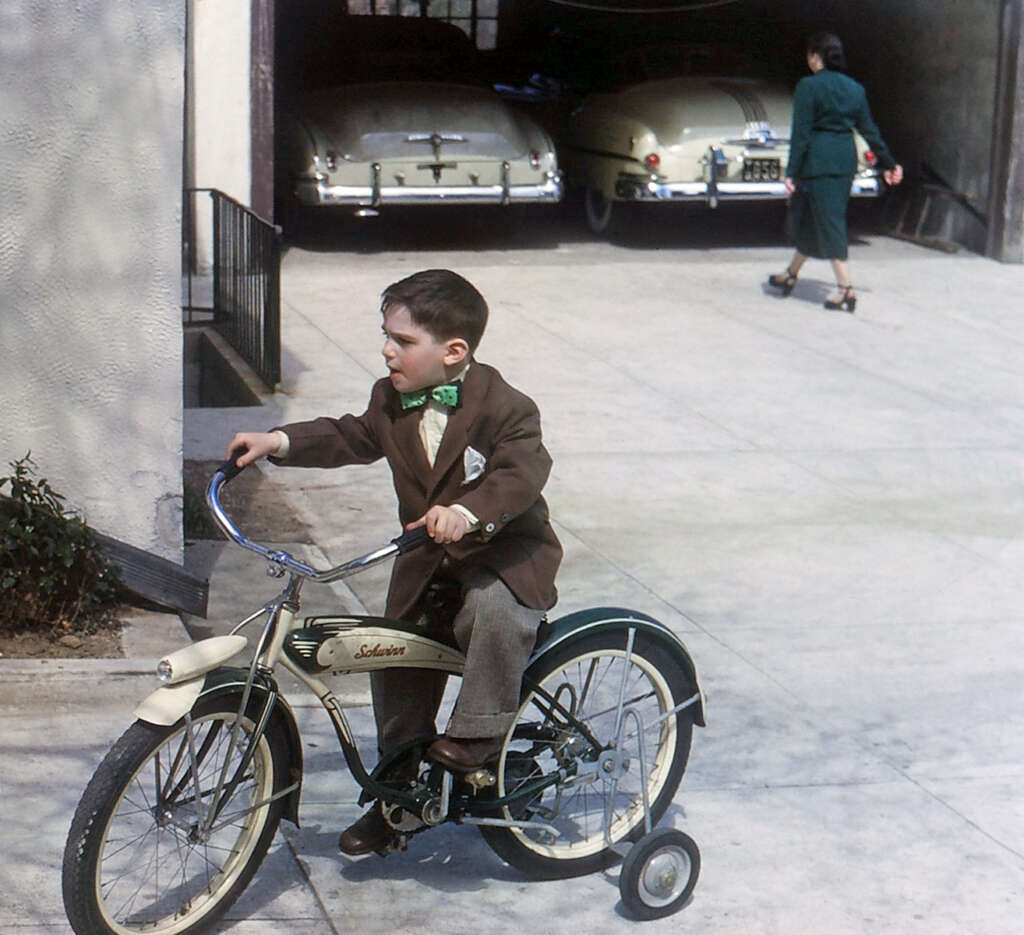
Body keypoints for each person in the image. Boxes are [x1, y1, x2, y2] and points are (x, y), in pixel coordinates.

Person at [226, 269, 562, 856]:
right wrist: (277, 441)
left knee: (492, 610)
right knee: (393, 657)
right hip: (428, 561)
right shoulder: (391, 398)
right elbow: (350, 436)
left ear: (453, 352)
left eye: (402, 341)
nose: (387, 350)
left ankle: (480, 734)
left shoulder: (507, 407)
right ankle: (397, 798)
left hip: (503, 553)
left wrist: (466, 508)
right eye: (386, 335)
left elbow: (519, 474)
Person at [768, 32, 903, 312]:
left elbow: (801, 133)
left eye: (809, 54)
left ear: (816, 56)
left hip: (817, 164)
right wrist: (889, 162)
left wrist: (791, 171)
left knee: (830, 223)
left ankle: (845, 289)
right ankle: (791, 274)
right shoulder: (855, 89)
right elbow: (869, 130)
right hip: (843, 162)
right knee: (812, 220)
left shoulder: (808, 86)